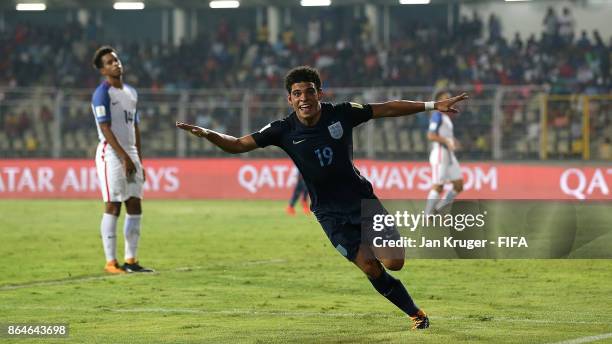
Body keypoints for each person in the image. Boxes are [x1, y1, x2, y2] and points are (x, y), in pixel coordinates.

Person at [176, 66, 468, 330]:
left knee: (393, 262)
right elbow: (239, 144)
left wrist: (432, 106)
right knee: (369, 266)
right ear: (289, 99)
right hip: (329, 214)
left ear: (320, 93)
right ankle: (416, 314)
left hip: (361, 201)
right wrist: (208, 134)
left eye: (309, 91)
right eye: (297, 93)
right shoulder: (282, 129)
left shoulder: (341, 112)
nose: (304, 98)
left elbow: (386, 108)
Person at [91, 46, 154, 274]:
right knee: (113, 204)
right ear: (102, 70)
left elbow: (134, 126)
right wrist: (124, 157)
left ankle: (131, 261)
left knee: (135, 204)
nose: (115, 64)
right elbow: (105, 128)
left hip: (130, 153)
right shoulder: (102, 93)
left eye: (115, 60)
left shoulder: (131, 93)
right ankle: (111, 262)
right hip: (111, 154)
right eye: (109, 62)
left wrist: (138, 159)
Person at [425, 90, 465, 215]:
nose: (449, 101)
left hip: (449, 155)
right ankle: (427, 214)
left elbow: (445, 135)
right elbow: (431, 135)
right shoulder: (437, 116)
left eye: (449, 98)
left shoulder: (445, 118)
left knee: (458, 185)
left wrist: (454, 141)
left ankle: (440, 207)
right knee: (438, 185)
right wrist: (447, 141)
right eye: (445, 99)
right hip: (440, 153)